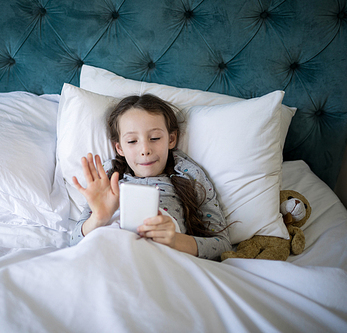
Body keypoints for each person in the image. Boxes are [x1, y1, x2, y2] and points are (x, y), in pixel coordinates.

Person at [69, 94, 231, 260]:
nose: (145, 149)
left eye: (155, 138)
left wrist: (175, 241)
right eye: (132, 141)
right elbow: (73, 242)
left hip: (161, 260)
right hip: (109, 254)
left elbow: (222, 245)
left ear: (171, 139)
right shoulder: (108, 176)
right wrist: (98, 219)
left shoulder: (189, 174)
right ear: (120, 148)